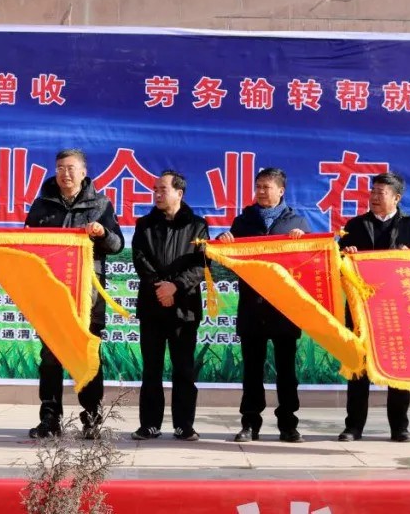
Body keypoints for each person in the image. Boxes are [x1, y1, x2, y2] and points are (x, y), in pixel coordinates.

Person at [25, 148, 124, 440]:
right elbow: (28, 243)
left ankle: (91, 418)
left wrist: (102, 233)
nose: (65, 174)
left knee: (87, 356)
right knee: (50, 357)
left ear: (83, 172)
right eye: (60, 168)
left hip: (87, 296)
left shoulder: (101, 204)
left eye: (70, 168)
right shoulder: (42, 205)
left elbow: (117, 245)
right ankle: (49, 419)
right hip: (51, 293)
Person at [338, 171, 410, 443]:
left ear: (396, 198)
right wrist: (347, 255)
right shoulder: (355, 224)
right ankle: (353, 427)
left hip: (397, 309)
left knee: (399, 370)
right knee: (358, 370)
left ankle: (399, 428)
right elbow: (338, 261)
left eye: (381, 192)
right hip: (361, 309)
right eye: (373, 191)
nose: (375, 197)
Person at [220, 167, 309, 443]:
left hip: (285, 308)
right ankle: (250, 423)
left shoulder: (296, 223)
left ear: (281, 191)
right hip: (252, 307)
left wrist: (303, 243)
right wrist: (225, 243)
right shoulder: (243, 221)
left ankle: (288, 424)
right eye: (258, 186)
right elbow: (230, 263)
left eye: (266, 187)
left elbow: (307, 263)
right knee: (252, 371)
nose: (260, 191)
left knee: (286, 372)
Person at [130, 170, 208, 442]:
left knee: (183, 368)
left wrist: (175, 286)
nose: (157, 194)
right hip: (152, 306)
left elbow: (201, 264)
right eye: (155, 189)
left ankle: (184, 425)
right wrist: (160, 287)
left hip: (184, 308)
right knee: (151, 369)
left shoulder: (197, 225)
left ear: (179, 193)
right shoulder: (144, 224)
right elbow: (139, 259)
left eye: (163, 189)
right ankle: (149, 425)